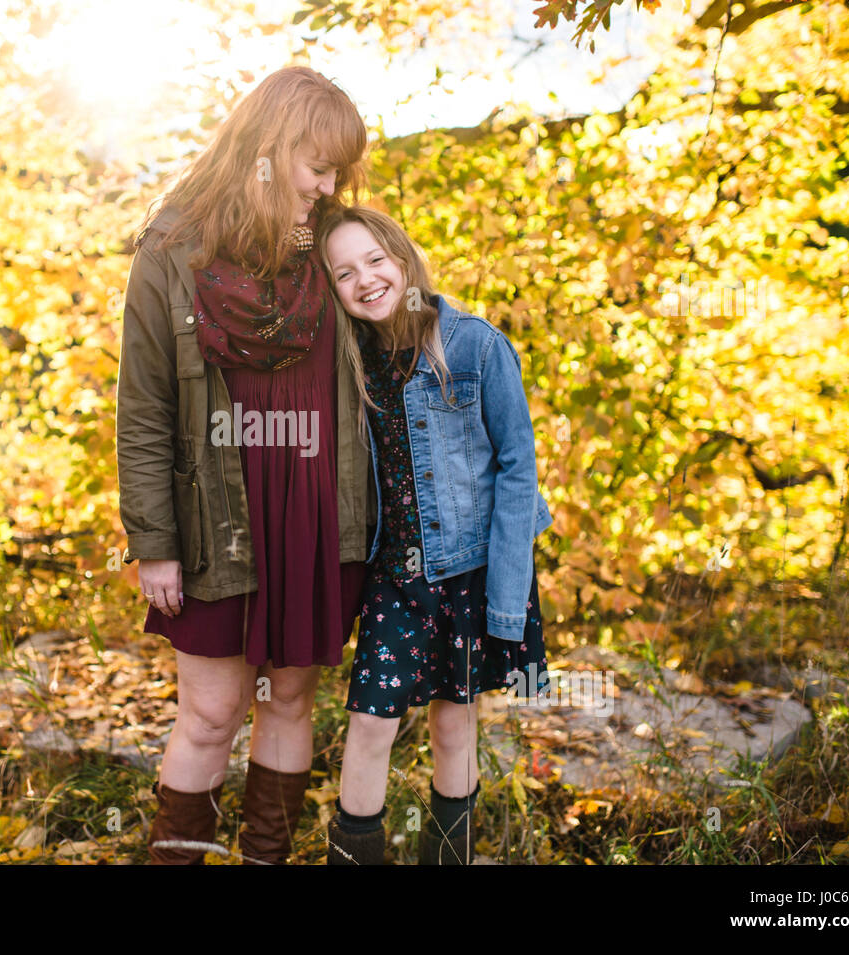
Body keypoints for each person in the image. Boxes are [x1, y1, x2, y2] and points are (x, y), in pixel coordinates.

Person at [115, 66, 375, 864]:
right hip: (213, 522)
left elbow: (401, 311)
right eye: (317, 164)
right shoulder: (171, 252)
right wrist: (152, 541)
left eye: (337, 169)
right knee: (211, 711)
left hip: (318, 513)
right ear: (268, 147)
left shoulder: (331, 242)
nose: (327, 184)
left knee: (289, 697)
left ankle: (265, 855)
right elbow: (145, 407)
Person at [316, 205, 554, 864]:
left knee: (455, 722)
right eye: (343, 272)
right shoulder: (350, 361)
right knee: (368, 723)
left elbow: (517, 471)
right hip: (395, 576)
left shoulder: (475, 345)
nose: (364, 279)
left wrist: (507, 598)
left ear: (403, 256)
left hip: (470, 570)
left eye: (374, 260)